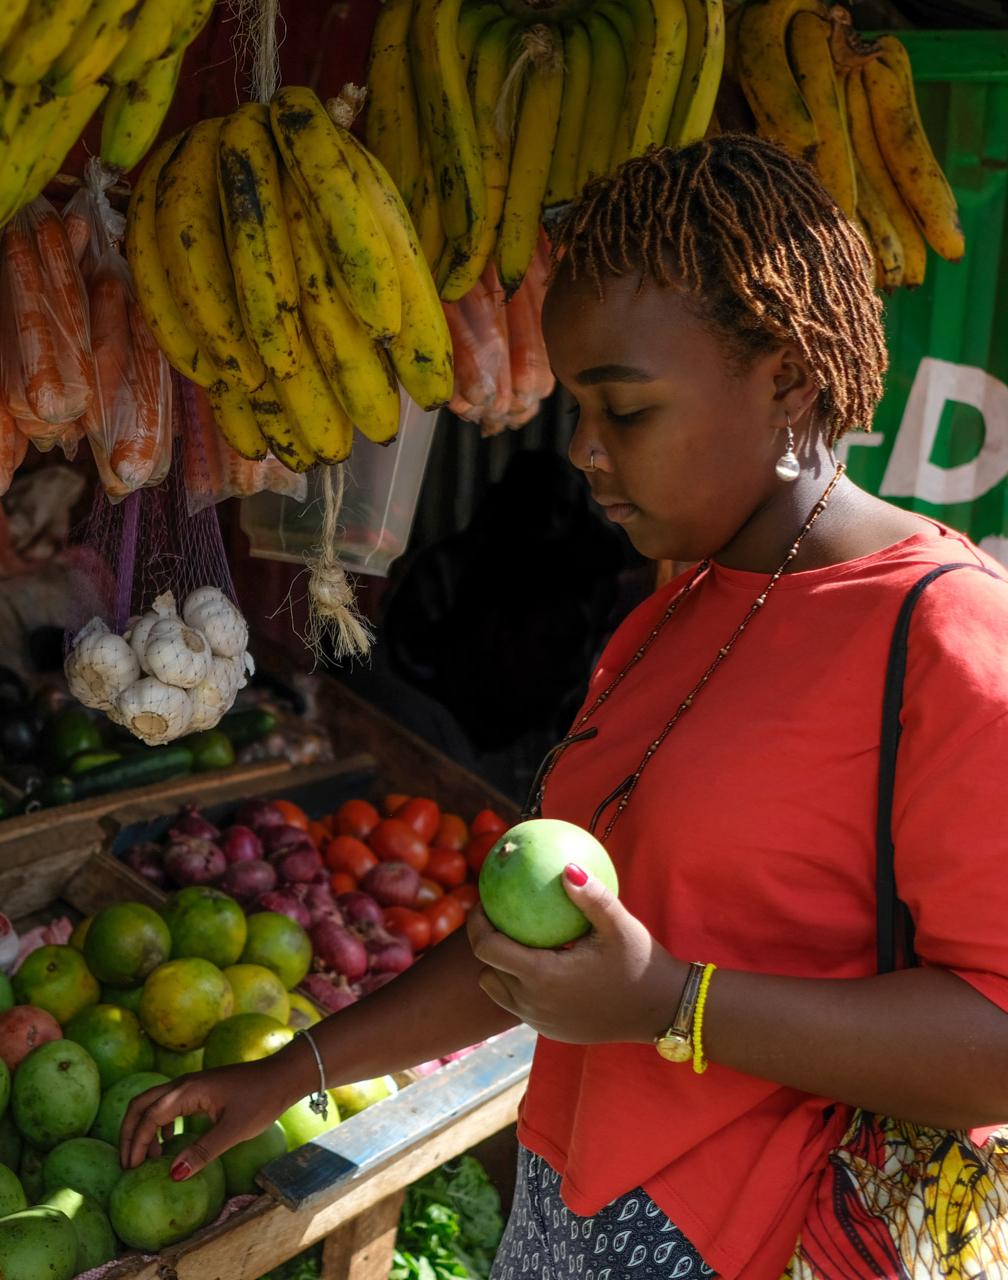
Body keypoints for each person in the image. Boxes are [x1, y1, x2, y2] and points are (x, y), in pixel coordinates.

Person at [120, 135, 1008, 1280]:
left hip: (775, 1239)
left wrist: (666, 1002)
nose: (583, 450)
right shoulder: (674, 610)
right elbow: (537, 955)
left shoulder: (943, 633)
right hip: (569, 1213)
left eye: (624, 409)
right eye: (577, 404)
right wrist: (294, 1071)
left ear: (787, 375)